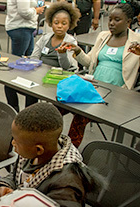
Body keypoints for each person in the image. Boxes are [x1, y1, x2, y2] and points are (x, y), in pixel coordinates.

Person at [0, 102, 103, 207]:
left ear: (38, 150)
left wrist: (17, 202)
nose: (13, 143)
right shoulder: (31, 152)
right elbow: (17, 176)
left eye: (16, 141)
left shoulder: (67, 184)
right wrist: (4, 187)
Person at [58, 3, 140, 147]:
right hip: (93, 86)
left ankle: (69, 152)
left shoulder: (137, 41)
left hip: (116, 94)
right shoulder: (103, 36)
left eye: (117, 20)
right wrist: (77, 51)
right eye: (110, 19)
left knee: (81, 114)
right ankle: (47, 142)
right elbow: (89, 62)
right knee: (58, 105)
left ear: (128, 22)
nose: (111, 23)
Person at [4, 0, 45, 112]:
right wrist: (36, 10)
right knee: (15, 69)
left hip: (25, 28)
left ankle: (27, 112)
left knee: (30, 67)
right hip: (20, 28)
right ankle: (13, 110)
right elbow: (24, 12)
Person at [30, 1, 80, 71]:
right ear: (51, 23)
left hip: (58, 75)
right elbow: (34, 57)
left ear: (69, 25)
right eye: (56, 23)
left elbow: (67, 67)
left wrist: (62, 54)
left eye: (64, 23)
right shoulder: (45, 38)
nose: (59, 26)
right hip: (40, 71)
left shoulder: (71, 41)